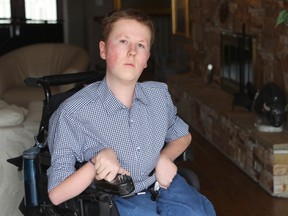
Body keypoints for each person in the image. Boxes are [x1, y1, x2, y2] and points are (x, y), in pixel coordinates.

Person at [47, 8, 216, 216]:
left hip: (161, 184)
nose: (132, 51)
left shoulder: (158, 96)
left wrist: (165, 158)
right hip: (118, 196)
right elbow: (56, 194)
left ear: (146, 59)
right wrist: (95, 163)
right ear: (103, 50)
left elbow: (183, 135)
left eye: (141, 45)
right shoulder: (74, 113)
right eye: (123, 41)